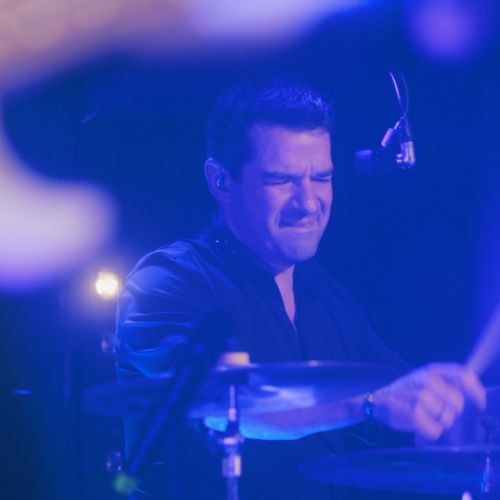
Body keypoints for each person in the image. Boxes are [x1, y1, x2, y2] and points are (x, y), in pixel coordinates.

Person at [115, 78, 485, 499]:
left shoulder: (330, 302)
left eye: (322, 178)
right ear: (221, 181)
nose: (308, 202)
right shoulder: (167, 282)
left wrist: (450, 408)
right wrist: (368, 403)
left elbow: (400, 403)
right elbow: (223, 404)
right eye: (281, 180)